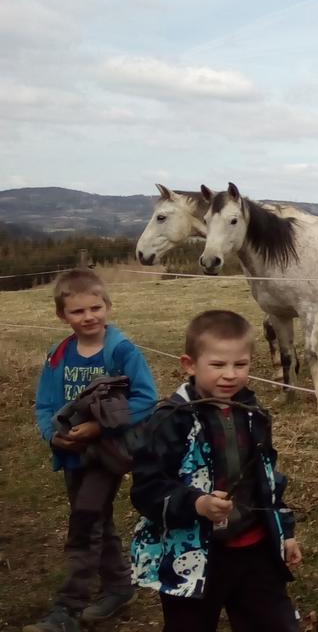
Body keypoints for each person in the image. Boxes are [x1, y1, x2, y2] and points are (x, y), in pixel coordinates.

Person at [130, 310, 302, 632]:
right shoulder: (170, 420)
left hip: (255, 548)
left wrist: (285, 531)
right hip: (192, 555)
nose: (230, 375)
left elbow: (268, 478)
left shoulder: (254, 414)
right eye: (218, 364)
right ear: (190, 364)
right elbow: (146, 489)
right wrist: (196, 504)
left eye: (240, 364)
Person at [28, 269, 158, 632]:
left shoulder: (121, 351)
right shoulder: (58, 355)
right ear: (62, 316)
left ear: (108, 307)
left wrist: (100, 426)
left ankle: (68, 609)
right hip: (72, 454)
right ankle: (119, 586)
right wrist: (52, 436)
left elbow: (147, 398)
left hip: (108, 453)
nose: (88, 317)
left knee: (85, 522)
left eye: (95, 308)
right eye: (78, 311)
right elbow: (43, 405)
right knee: (96, 519)